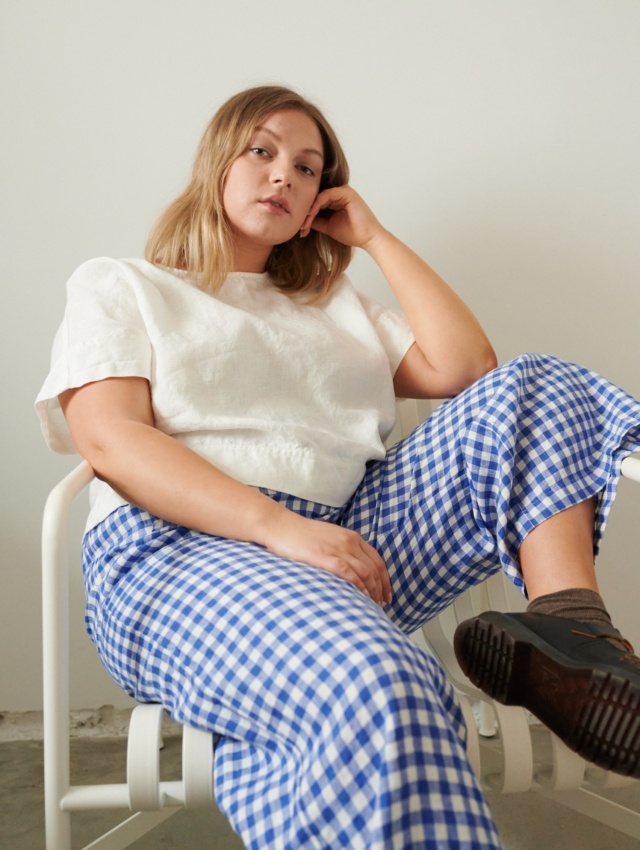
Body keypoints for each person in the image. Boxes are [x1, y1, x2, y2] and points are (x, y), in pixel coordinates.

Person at [36, 84, 640, 850]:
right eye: (262, 150)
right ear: (217, 161)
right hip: (182, 552)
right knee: (379, 686)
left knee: (537, 384)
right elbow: (112, 442)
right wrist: (279, 529)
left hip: (349, 544)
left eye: (308, 166)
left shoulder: (333, 304)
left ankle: (572, 633)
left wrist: (376, 238)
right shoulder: (124, 285)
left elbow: (468, 366)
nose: (284, 175)